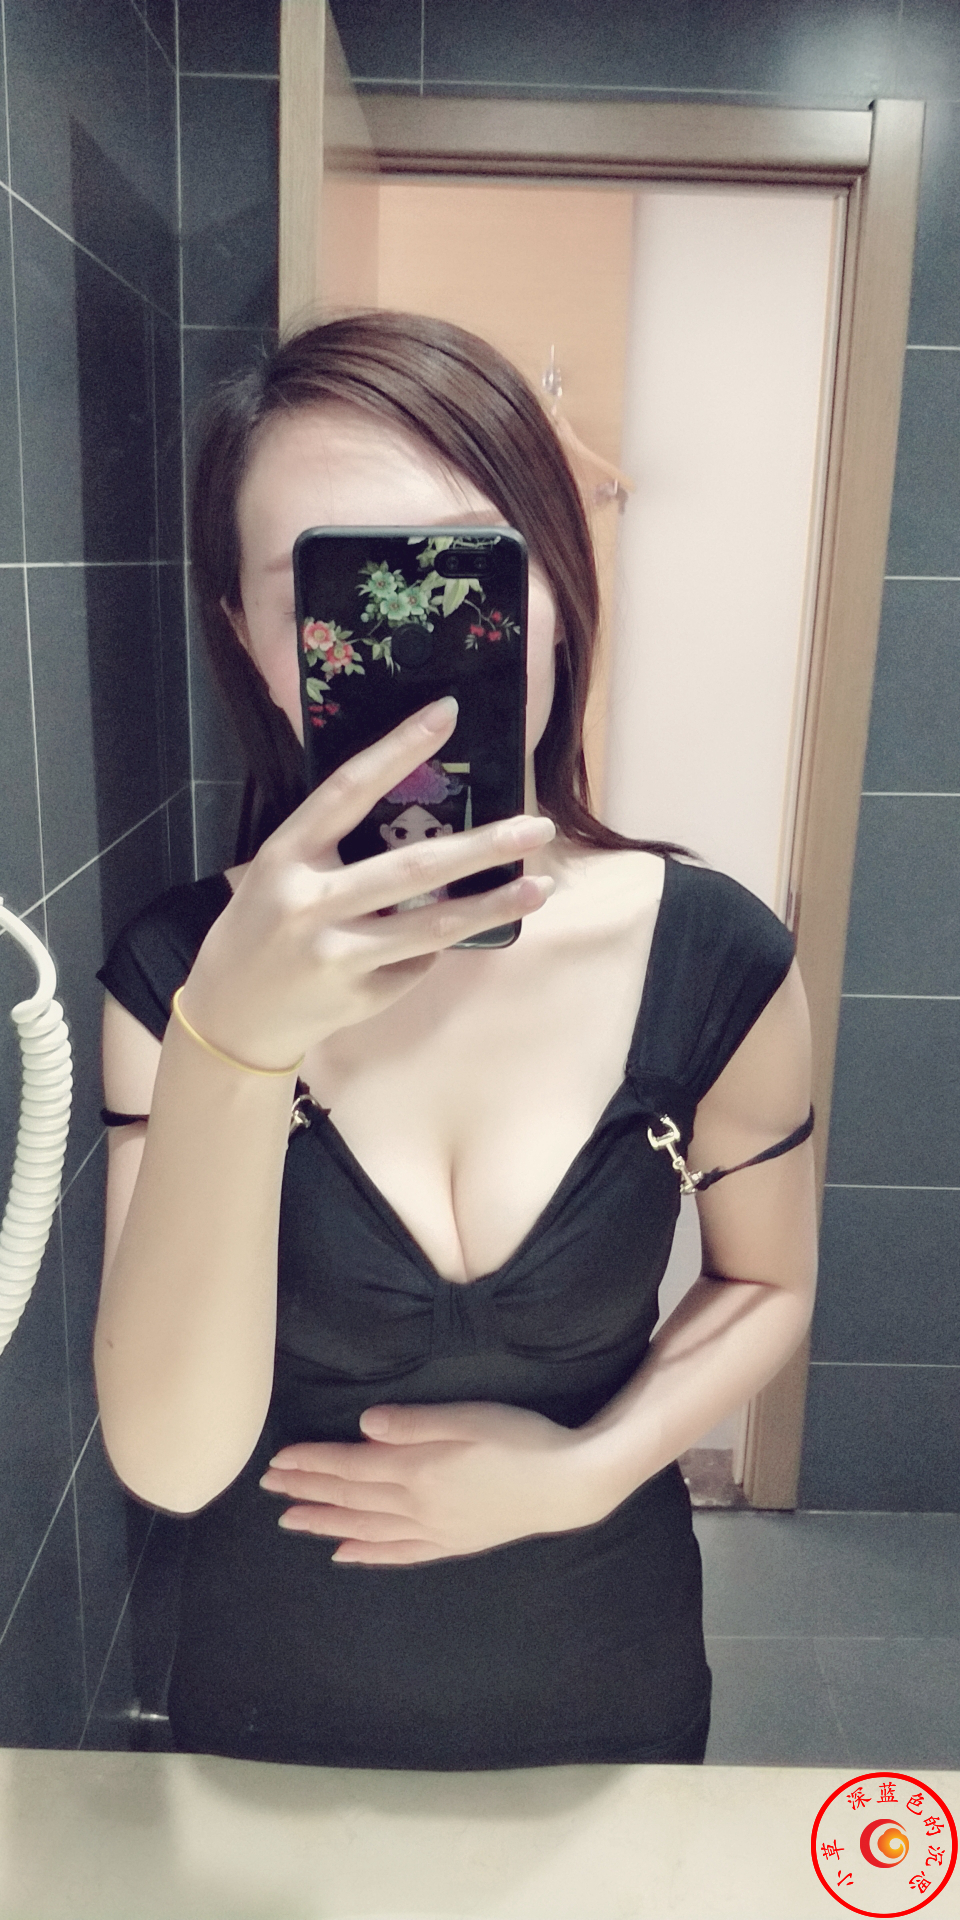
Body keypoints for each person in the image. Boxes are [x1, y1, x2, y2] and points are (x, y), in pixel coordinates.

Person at [94, 312, 817, 1771]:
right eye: (335, 595)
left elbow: (767, 1280)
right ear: (251, 638)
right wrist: (233, 1047)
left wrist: (581, 1473)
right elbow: (169, 1460)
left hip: (608, 1689)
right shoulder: (177, 979)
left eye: (468, 572)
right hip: (270, 1719)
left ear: (558, 589)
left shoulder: (717, 956)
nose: (412, 646)